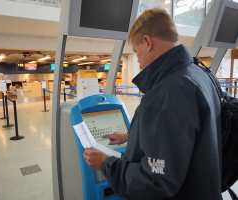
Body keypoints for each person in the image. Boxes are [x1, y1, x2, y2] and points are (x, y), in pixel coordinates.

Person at [83, 8, 222, 200]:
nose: (138, 59)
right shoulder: (199, 74)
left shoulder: (167, 93)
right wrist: (131, 136)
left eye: (136, 50)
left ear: (148, 42)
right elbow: (184, 136)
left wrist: (106, 163)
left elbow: (155, 182)